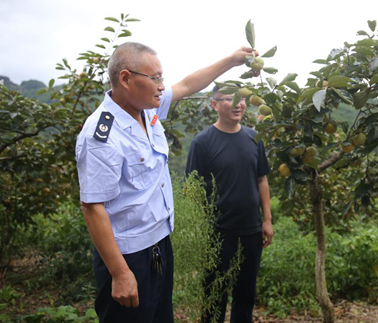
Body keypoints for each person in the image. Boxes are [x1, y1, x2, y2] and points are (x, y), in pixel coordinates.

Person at [76, 41, 254, 323]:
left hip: (159, 244)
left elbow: (187, 84)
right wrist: (120, 273)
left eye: (162, 78)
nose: (162, 85)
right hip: (128, 256)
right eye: (155, 78)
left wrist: (231, 61)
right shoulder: (102, 136)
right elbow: (92, 207)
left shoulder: (147, 109)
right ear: (126, 78)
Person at [185, 85, 273, 323]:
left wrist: (267, 219)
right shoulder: (202, 143)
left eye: (242, 99)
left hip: (251, 229)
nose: (239, 104)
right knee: (214, 293)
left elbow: (262, 179)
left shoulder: (254, 138)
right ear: (214, 105)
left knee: (246, 293)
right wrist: (200, 230)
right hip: (217, 232)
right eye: (230, 99)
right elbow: (191, 189)